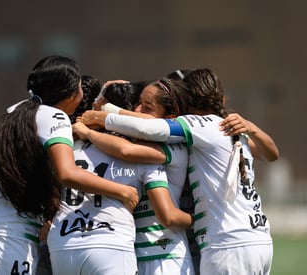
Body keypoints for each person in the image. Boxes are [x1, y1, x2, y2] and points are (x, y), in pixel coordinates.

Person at [80, 68, 279, 274]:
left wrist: (103, 113)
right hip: (256, 239)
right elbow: (271, 154)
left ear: (186, 102)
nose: (139, 109)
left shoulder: (201, 126)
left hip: (226, 244)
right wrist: (251, 128)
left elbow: (147, 129)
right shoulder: (229, 130)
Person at [0, 55, 138, 275]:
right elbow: (67, 173)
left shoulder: (17, 111)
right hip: (10, 237)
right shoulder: (55, 116)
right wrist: (122, 191)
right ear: (68, 92)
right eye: (79, 86)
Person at [73, 78, 195, 275]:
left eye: (147, 107)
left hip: (166, 259)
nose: (137, 111)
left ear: (169, 117)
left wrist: (93, 126)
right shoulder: (117, 147)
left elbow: (126, 150)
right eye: (138, 103)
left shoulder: (173, 148)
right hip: (134, 257)